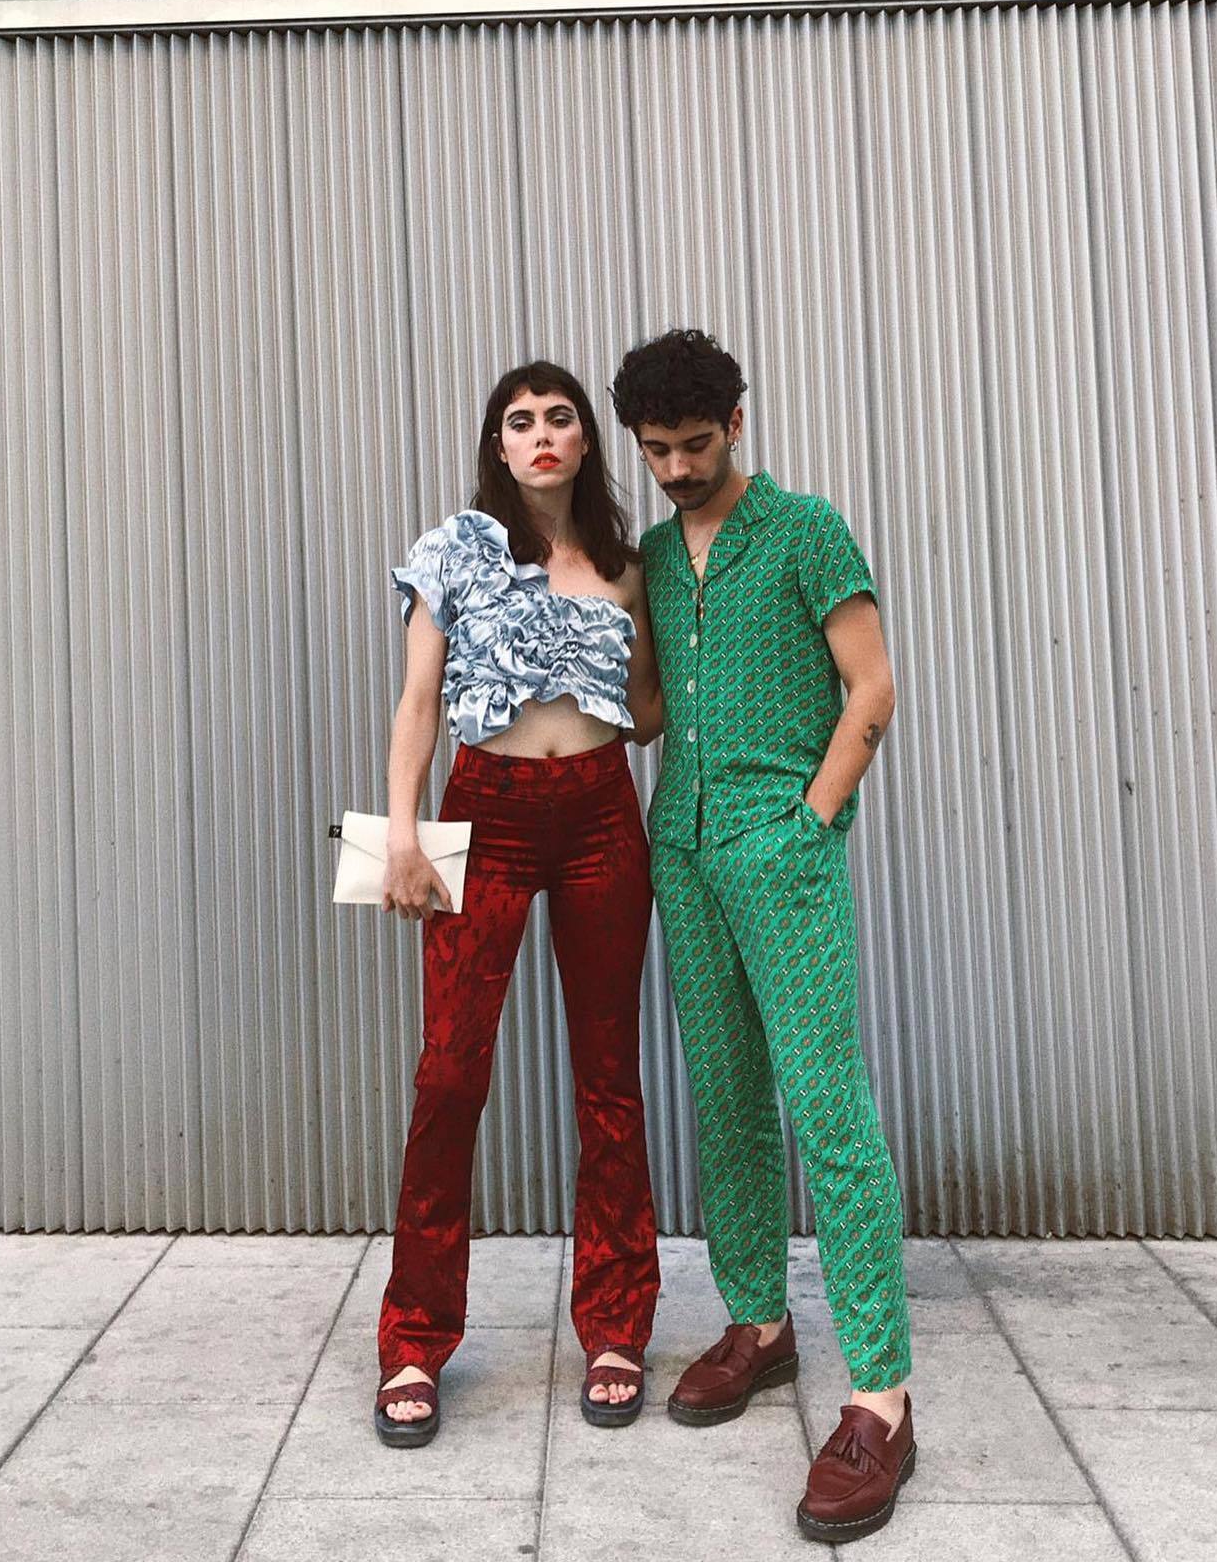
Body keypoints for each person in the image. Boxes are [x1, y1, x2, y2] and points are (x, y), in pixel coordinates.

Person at [611, 329, 914, 1543]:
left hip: (780, 850)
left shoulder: (805, 530)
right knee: (727, 1100)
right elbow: (645, 714)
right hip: (680, 849)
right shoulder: (651, 553)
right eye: (656, 451)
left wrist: (811, 821)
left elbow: (872, 686)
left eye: (694, 444)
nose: (677, 469)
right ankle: (759, 1322)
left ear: (736, 421)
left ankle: (881, 1396)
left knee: (828, 1111)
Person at [374, 361, 662, 1446]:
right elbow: (418, 701)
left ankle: (617, 1326)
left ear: (586, 442)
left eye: (561, 419)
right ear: (498, 445)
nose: (542, 434)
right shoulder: (456, 550)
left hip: (599, 813)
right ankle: (413, 1340)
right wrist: (404, 834)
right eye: (521, 420)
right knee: (450, 1074)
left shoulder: (628, 569)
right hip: (482, 810)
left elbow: (646, 711)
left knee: (608, 1077)